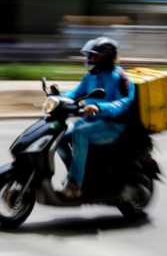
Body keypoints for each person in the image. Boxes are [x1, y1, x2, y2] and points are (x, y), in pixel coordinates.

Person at [57, 37, 135, 198]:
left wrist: (99, 107)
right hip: (91, 122)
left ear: (106, 57)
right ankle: (76, 173)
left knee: (80, 133)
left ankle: (75, 185)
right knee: (60, 135)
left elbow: (125, 101)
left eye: (94, 55)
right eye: (90, 55)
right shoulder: (91, 76)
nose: (90, 59)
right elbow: (76, 93)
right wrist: (58, 99)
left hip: (113, 125)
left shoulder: (119, 77)